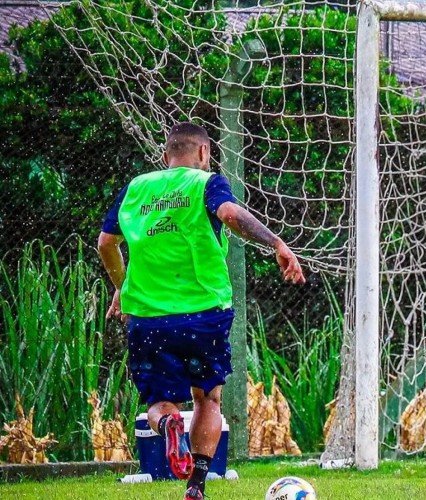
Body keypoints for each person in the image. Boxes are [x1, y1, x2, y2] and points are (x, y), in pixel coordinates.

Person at [98, 122, 305, 500]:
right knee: (207, 398)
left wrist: (120, 287)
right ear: (205, 153)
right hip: (204, 313)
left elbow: (106, 244)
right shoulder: (205, 183)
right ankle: (195, 486)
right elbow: (229, 215)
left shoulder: (136, 188)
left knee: (160, 404)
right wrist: (275, 241)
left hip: (147, 315)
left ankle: (168, 428)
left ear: (165, 156)